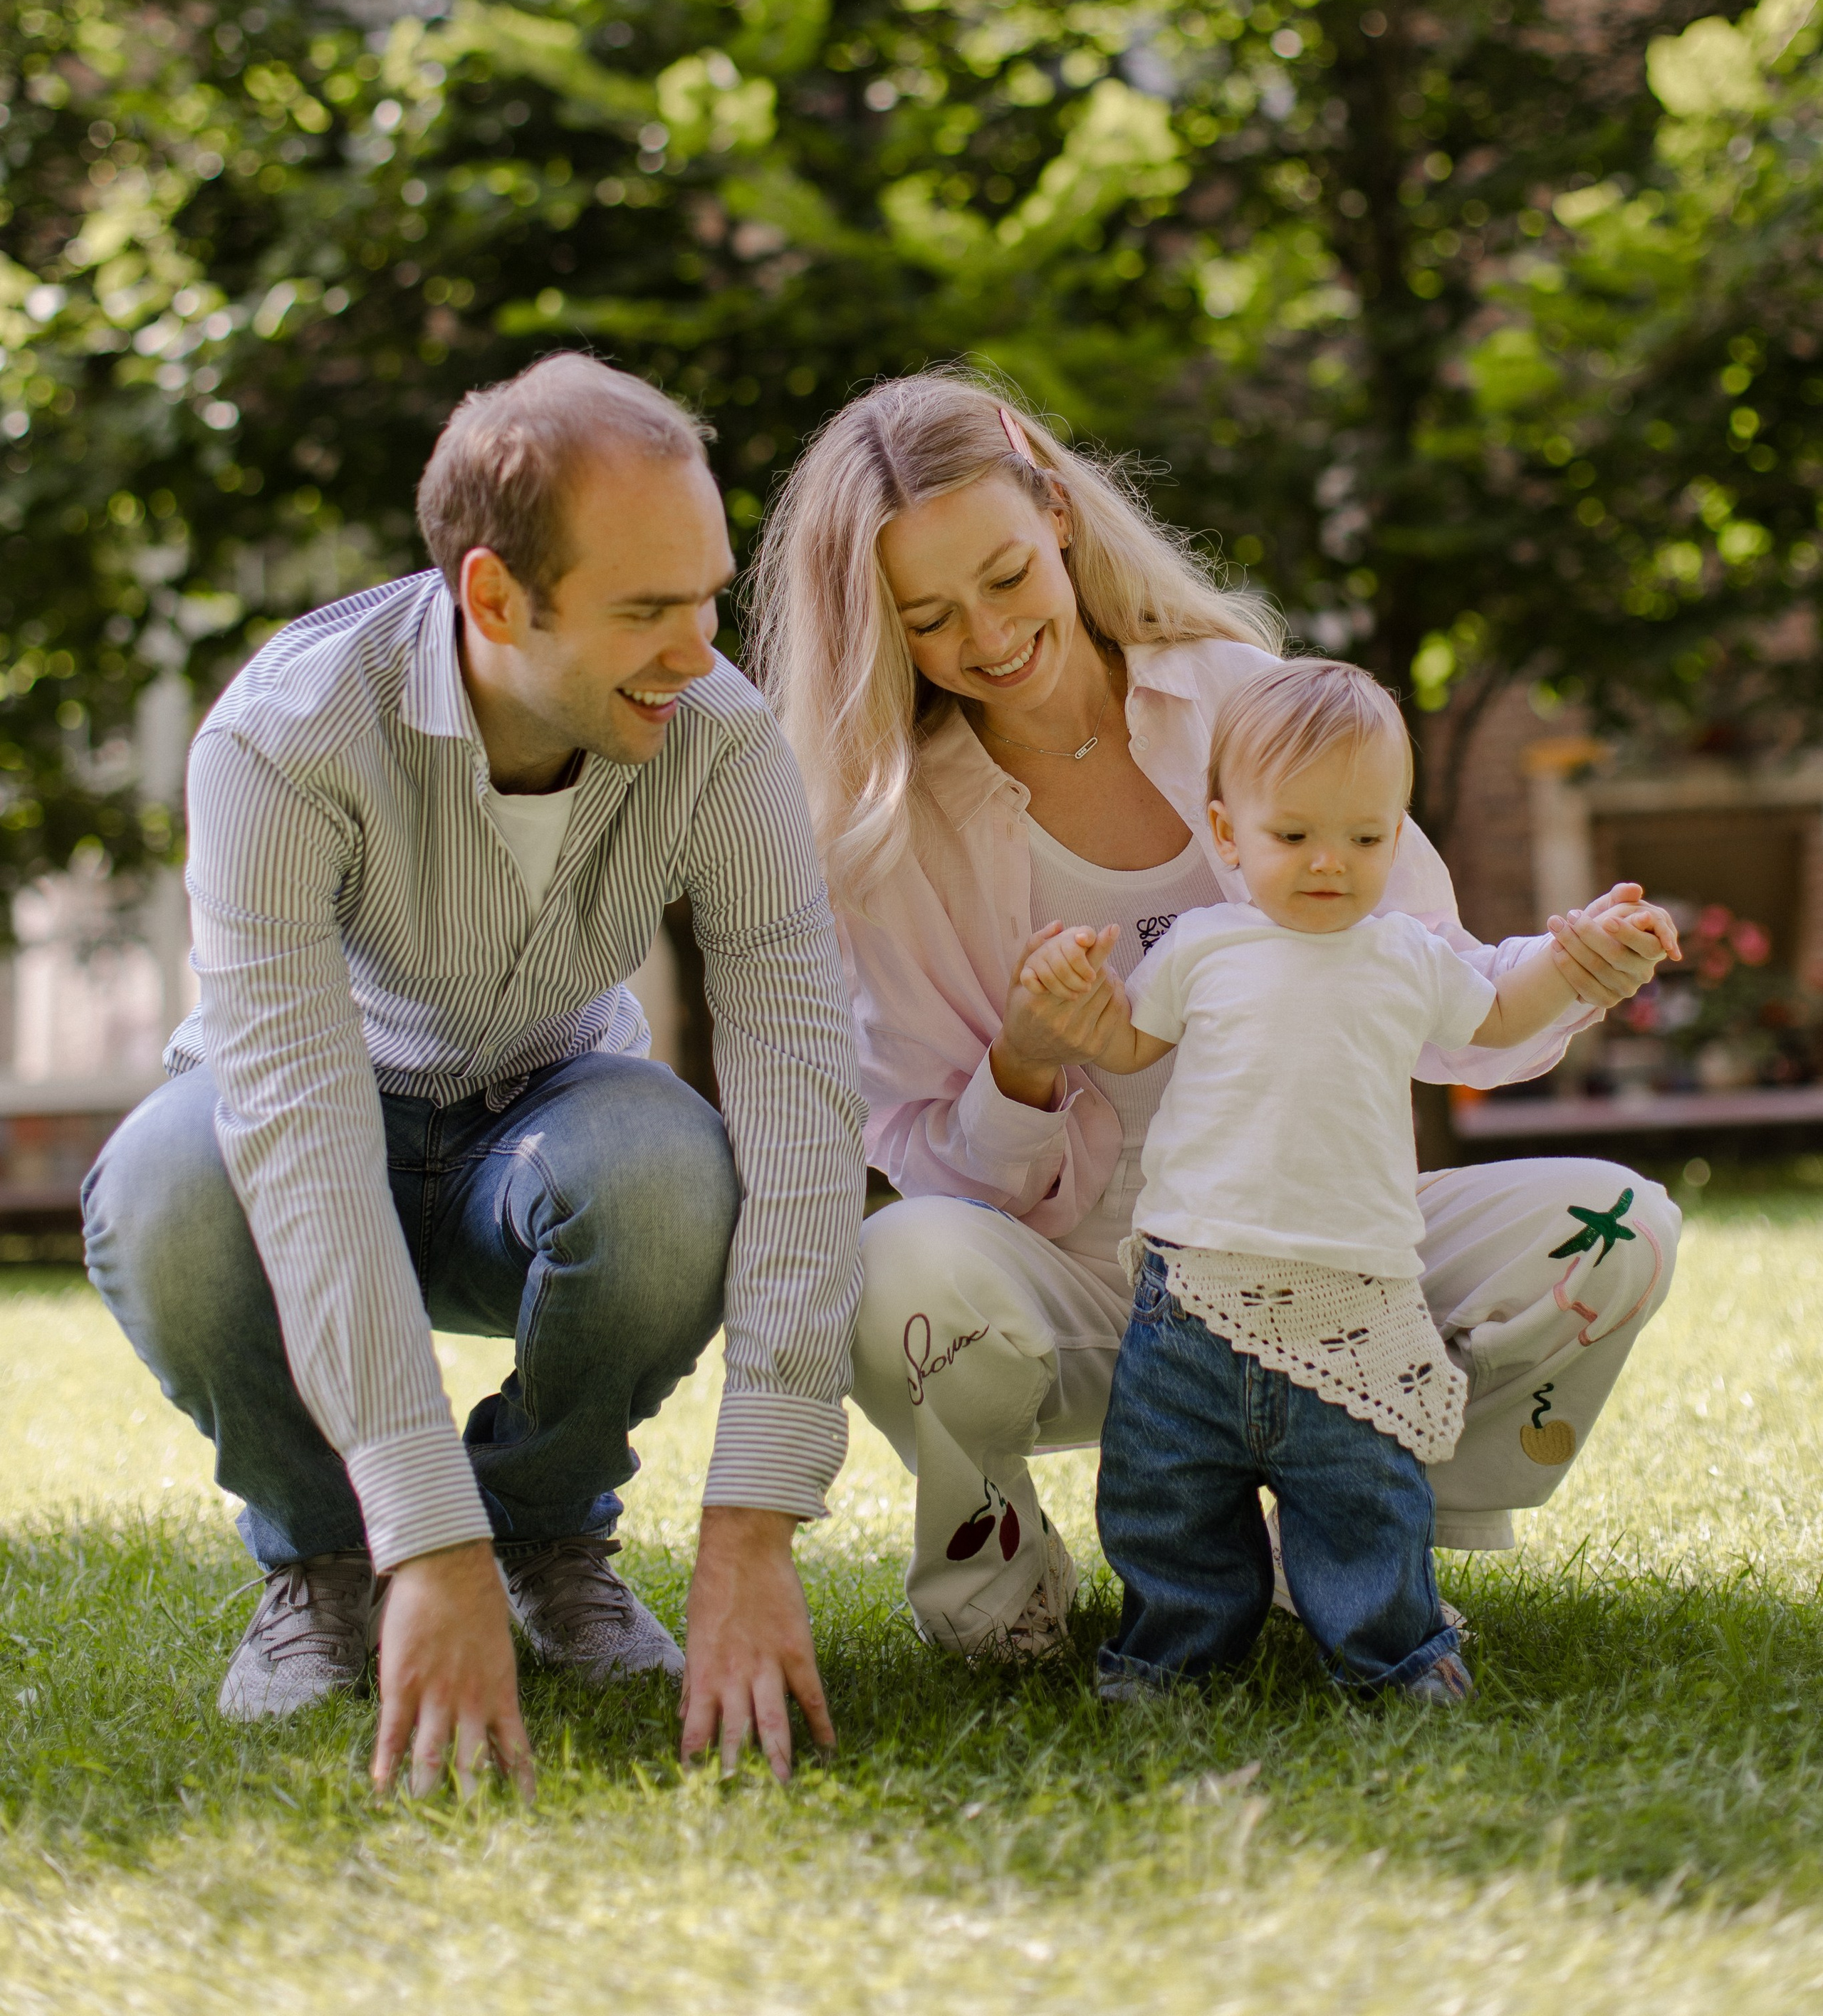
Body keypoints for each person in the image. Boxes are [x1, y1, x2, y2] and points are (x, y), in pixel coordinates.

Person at [746, 370, 1681, 1659]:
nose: (990, 634)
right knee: (896, 1272)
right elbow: (922, 1157)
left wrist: (1571, 969)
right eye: (929, 617)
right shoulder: (891, 834)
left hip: (1334, 1261)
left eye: (1008, 577)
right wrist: (1023, 1059)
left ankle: (1356, 1522)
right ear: (878, 633)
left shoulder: (1244, 700)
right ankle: (998, 1572)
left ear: (1057, 514)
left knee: (1616, 1227)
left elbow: (1443, 998)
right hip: (1088, 1281)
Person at [83, 355, 866, 1792]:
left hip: (543, 1129)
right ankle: (327, 1565)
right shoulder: (282, 737)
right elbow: (300, 1141)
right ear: (497, 600)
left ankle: (544, 1536)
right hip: (319, 1128)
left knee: (668, 1170)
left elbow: (801, 1082)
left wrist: (754, 1516)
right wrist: (412, 1531)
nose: (698, 650)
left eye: (708, 596)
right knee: (165, 1185)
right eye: (645, 612)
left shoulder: (722, 737)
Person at [1015, 658, 1677, 1703]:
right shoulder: (1202, 945)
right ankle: (1169, 1659)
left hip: (1357, 1301)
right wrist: (1068, 990)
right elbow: (1126, 1045)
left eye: (1367, 839)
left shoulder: (1403, 954)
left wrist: (1582, 951)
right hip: (1188, 1297)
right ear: (1228, 836)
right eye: (1294, 837)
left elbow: (1500, 1015)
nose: (1332, 863)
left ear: (1397, 831)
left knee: (1367, 1497)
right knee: (1165, 1496)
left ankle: (1395, 1654)